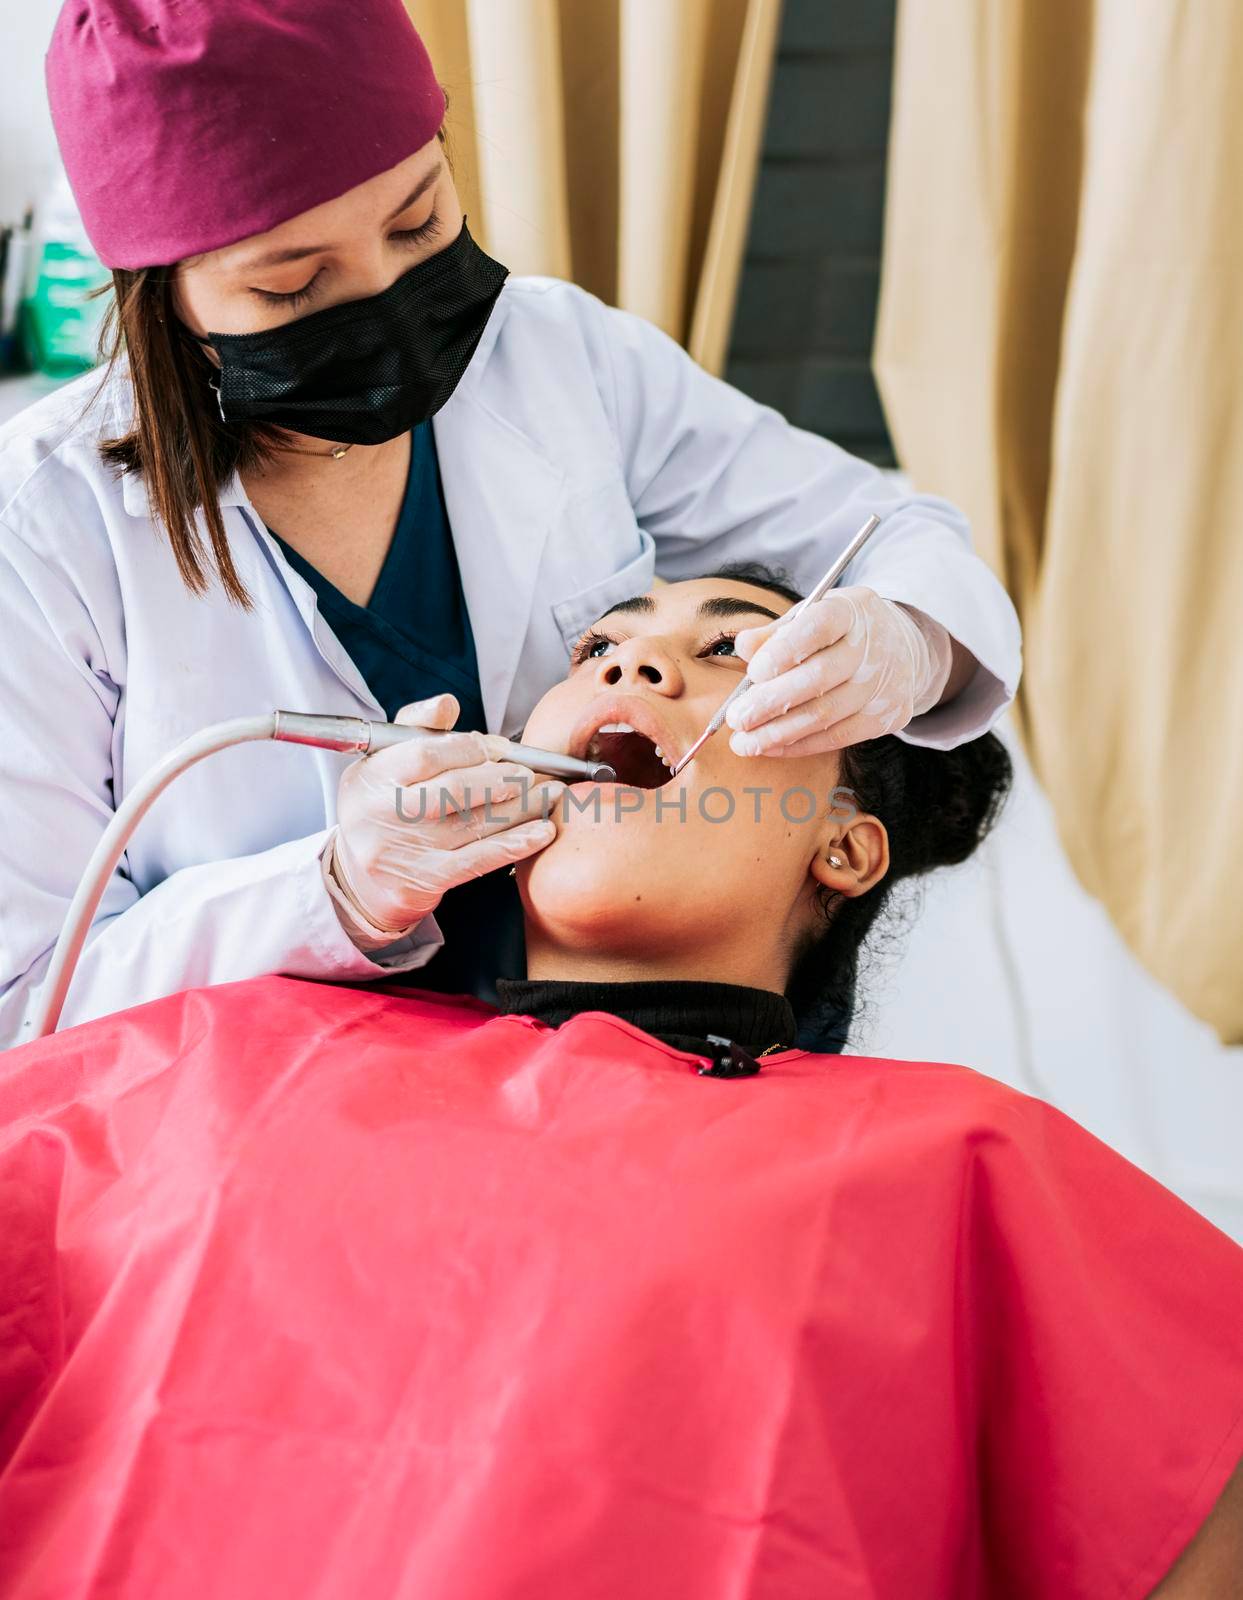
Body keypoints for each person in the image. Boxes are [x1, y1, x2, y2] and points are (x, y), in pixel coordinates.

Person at [0, 570, 1239, 1599]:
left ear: (849, 845)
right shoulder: (216, 1051)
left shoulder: (963, 1157)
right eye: (601, 644)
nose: (637, 670)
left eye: (733, 652)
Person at [0, 0, 1020, 1051]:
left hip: (648, 1090)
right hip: (253, 1142)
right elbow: (29, 1002)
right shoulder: (41, 532)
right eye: (291, 284)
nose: (389, 293)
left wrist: (911, 642)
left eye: (418, 222)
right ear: (159, 297)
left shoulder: (557, 361)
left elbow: (893, 538)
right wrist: (335, 891)